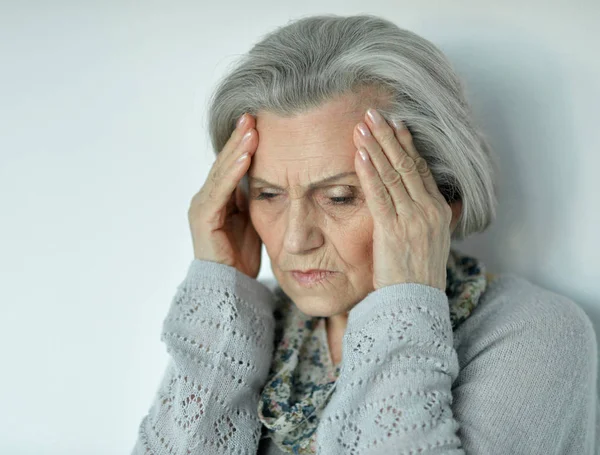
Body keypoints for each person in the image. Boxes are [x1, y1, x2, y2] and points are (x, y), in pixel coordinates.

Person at [130, 14, 598, 455]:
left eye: (338, 197)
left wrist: (404, 303)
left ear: (442, 200)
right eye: (268, 194)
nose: (295, 240)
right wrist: (221, 296)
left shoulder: (534, 332)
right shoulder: (244, 328)